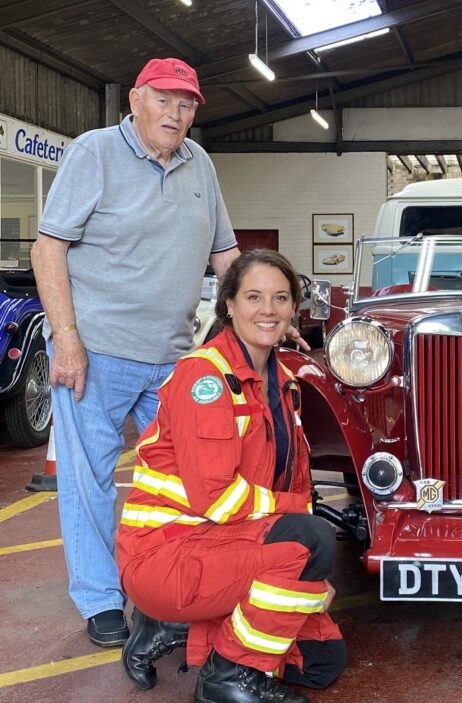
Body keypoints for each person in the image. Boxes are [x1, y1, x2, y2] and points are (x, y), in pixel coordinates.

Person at [31, 57, 241, 647]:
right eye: (166, 100)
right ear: (136, 100)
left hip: (174, 356)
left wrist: (268, 309)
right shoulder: (94, 152)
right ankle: (100, 599)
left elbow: (226, 256)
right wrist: (66, 339)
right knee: (87, 478)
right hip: (95, 348)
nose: (177, 115)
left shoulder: (200, 163)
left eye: (188, 104)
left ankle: (171, 591)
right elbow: (48, 250)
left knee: (188, 479)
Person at [116, 250, 344, 703]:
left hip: (228, 543)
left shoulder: (283, 382)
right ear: (228, 305)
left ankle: (178, 624)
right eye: (254, 297)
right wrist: (302, 540)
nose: (268, 310)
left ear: (293, 310)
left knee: (321, 665)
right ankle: (228, 677)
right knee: (312, 538)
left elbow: (291, 481)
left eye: (281, 298)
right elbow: (216, 500)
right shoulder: (204, 378)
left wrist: (307, 574)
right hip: (168, 552)